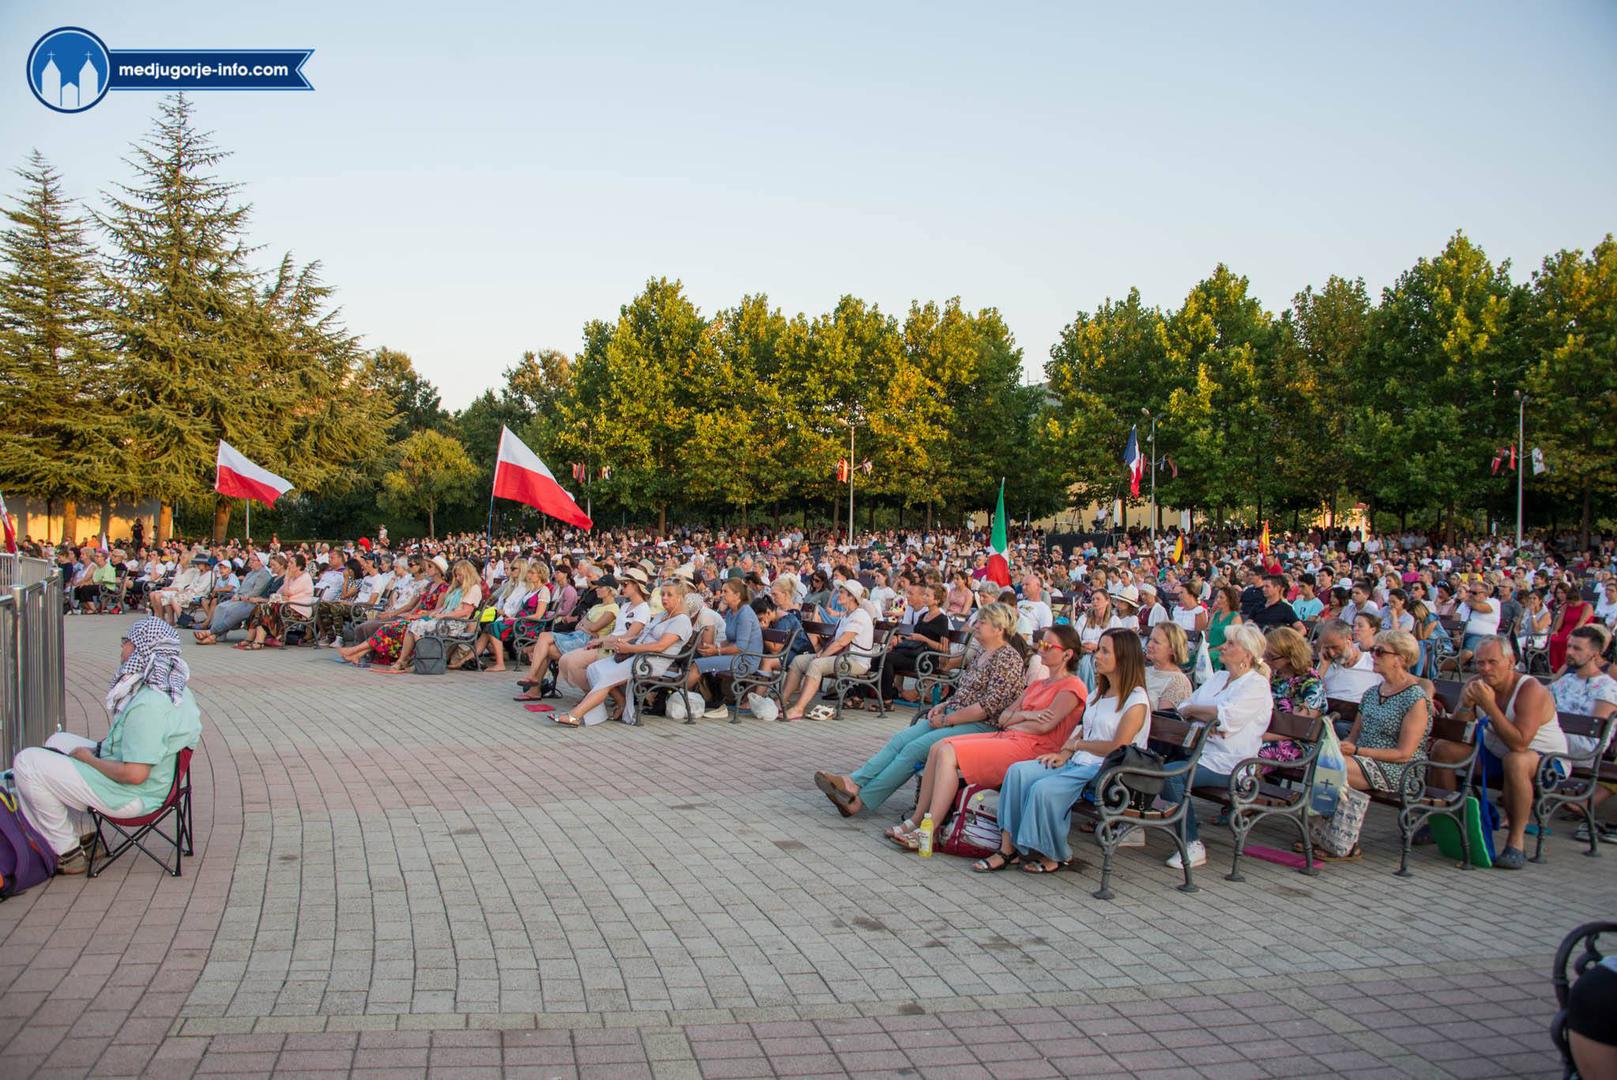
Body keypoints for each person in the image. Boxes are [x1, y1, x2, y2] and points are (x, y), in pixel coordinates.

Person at [11, 618, 202, 874]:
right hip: (159, 782)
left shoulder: (149, 705)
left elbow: (135, 774)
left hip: (134, 796)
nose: (122, 648)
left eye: (126, 642)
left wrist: (89, 760)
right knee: (58, 742)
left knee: (27, 763)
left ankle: (66, 852)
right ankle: (87, 836)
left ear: (141, 649)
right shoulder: (176, 689)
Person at [813, 604, 1027, 817]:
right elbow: (966, 691)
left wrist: (948, 719)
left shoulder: (1007, 658)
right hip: (956, 715)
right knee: (901, 739)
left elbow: (987, 708)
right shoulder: (983, 652)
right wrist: (943, 705)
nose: (976, 625)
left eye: (982, 622)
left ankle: (860, 800)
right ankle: (853, 782)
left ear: (999, 629)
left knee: (914, 749)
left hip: (981, 725)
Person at [887, 624, 1087, 850]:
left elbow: (1044, 727)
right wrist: (1026, 715)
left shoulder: (1072, 687)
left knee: (948, 752)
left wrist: (1016, 720)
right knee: (938, 746)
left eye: (1048, 645)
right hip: (1010, 738)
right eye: (1041, 643)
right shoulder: (1039, 684)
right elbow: (1003, 718)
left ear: (1067, 654)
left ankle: (929, 830)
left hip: (1036, 749)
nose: (1041, 648)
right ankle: (917, 820)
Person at [980, 629, 1150, 873]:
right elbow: (1085, 731)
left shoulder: (1136, 700)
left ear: (1123, 657)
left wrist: (1075, 746)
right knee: (1018, 772)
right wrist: (1064, 754)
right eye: (1098, 649)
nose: (1097, 656)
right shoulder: (1099, 693)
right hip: (1079, 761)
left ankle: (1054, 853)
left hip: (1107, 770)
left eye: (1105, 651)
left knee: (1044, 789)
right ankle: (1008, 849)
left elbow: (1118, 747)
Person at [1430, 636, 1564, 870]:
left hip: (1545, 759)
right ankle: (1451, 823)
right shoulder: (1477, 683)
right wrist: (1466, 706)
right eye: (1480, 663)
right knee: (1443, 749)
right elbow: (1457, 733)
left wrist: (1489, 706)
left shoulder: (1530, 689)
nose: (1485, 669)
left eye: (1492, 662)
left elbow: (1520, 743)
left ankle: (1516, 843)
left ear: (1510, 662)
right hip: (1496, 753)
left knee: (1516, 760)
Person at [1158, 622, 1273, 869]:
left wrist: (1199, 712)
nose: (1223, 646)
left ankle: (1191, 843)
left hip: (1231, 763)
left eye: (1231, 644)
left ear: (1247, 655)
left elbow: (1225, 719)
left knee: (1172, 775)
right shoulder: (1219, 677)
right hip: (1200, 751)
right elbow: (1184, 707)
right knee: (1152, 760)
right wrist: (1201, 712)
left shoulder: (1256, 685)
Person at [1336, 630, 1431, 849]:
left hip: (1400, 769)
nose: (1373, 656)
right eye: (1372, 650)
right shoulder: (1371, 693)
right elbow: (1353, 737)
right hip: (1363, 760)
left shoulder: (1415, 698)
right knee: (1325, 760)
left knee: (1335, 767)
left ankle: (1341, 839)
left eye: (1380, 652)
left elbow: (1404, 753)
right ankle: (1326, 832)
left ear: (1401, 659)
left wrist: (1357, 751)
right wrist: (1340, 746)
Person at [557, 580, 694, 727]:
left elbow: (660, 646)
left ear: (680, 598)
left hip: (652, 661)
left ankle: (574, 716)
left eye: (669, 595)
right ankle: (612, 707)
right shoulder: (663, 615)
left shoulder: (681, 621)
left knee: (606, 677)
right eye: (662, 594)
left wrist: (629, 648)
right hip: (639, 654)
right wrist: (620, 642)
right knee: (594, 668)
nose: (664, 598)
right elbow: (641, 636)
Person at [1551, 625, 1617, 843]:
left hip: (1583, 749)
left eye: (1577, 648)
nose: (1569, 652)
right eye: (1569, 646)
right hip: (1555, 740)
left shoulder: (1607, 686)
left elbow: (1594, 737)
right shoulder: (1565, 681)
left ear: (1595, 654)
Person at [782, 580, 876, 721]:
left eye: (842, 592)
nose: (838, 594)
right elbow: (835, 641)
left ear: (851, 597)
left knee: (816, 664)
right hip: (843, 657)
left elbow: (841, 642)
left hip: (856, 662)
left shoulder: (860, 616)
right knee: (798, 661)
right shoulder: (846, 615)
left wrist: (822, 656)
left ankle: (798, 709)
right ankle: (781, 702)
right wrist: (821, 653)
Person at [686, 578, 762, 718]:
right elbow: (729, 640)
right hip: (737, 657)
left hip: (746, 660)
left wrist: (717, 651)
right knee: (699, 656)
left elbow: (740, 647)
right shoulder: (731, 612)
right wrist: (714, 647)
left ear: (737, 595)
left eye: (726, 591)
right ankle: (700, 698)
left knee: (696, 665)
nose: (722, 594)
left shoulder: (745, 613)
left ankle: (679, 698)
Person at [194, 551, 274, 644]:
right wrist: (236, 595)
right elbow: (241, 588)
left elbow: (256, 591)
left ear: (261, 562)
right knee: (220, 607)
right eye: (250, 560)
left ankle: (212, 633)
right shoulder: (250, 573)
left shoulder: (264, 574)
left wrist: (240, 598)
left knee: (230, 611)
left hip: (251, 601)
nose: (250, 562)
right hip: (240, 598)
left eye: (253, 560)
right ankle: (218, 635)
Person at [239, 553, 314, 649]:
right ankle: (252, 639)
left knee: (264, 609)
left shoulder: (304, 577)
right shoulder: (292, 577)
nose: (289, 564)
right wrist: (284, 593)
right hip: (288, 606)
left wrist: (287, 579)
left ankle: (257, 641)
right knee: (261, 608)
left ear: (299, 566)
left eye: (291, 563)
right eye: (289, 562)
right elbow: (280, 592)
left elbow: (287, 592)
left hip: (299, 609)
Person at [1317, 618, 1383, 703]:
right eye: (1327, 648)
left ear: (1348, 640)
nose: (1332, 654)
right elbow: (1310, 698)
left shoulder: (1372, 663)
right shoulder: (1326, 663)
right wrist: (1323, 668)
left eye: (1335, 647)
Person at [1144, 622, 1193, 711]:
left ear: (1172, 649)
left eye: (1156, 642)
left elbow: (1163, 718)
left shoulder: (1177, 682)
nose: (1149, 645)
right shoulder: (1144, 671)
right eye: (1150, 639)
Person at [1549, 582, 1595, 672]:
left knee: (1567, 641)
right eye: (1569, 603)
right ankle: (1555, 667)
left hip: (1580, 631)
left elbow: (1581, 622)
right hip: (1565, 629)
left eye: (1573, 603)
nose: (1571, 605)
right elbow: (1560, 620)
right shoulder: (1566, 606)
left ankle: (1568, 666)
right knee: (1553, 639)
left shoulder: (1587, 607)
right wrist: (1556, 630)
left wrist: (1572, 633)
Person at [1206, 585, 1242, 671]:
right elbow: (1207, 631)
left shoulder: (1235, 617)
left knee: (1208, 656)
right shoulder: (1216, 614)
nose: (1218, 600)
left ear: (1229, 600)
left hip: (1223, 650)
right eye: (1217, 597)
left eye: (1221, 597)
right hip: (1209, 647)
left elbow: (1232, 641)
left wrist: (1213, 649)